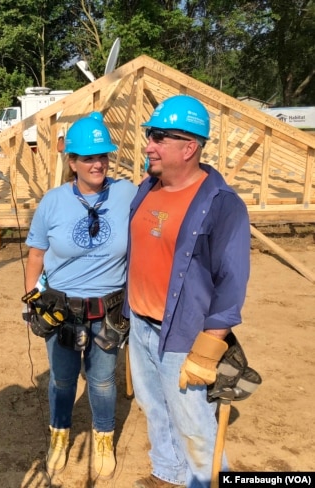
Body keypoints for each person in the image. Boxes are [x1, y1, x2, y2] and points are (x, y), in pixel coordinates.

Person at [126, 95, 251, 488]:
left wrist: (211, 344)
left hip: (183, 333)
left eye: (159, 138)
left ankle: (205, 482)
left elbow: (232, 280)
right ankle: (168, 473)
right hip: (140, 326)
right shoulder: (147, 188)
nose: (149, 145)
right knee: (154, 408)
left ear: (189, 147)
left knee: (193, 421)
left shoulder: (221, 204)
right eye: (150, 135)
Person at [23, 112, 137, 480]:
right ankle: (60, 434)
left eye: (103, 156)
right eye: (88, 157)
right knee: (62, 379)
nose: (98, 164)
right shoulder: (53, 202)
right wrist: (31, 300)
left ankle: (103, 437)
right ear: (71, 162)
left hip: (108, 309)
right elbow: (36, 255)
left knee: (103, 380)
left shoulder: (127, 193)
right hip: (61, 309)